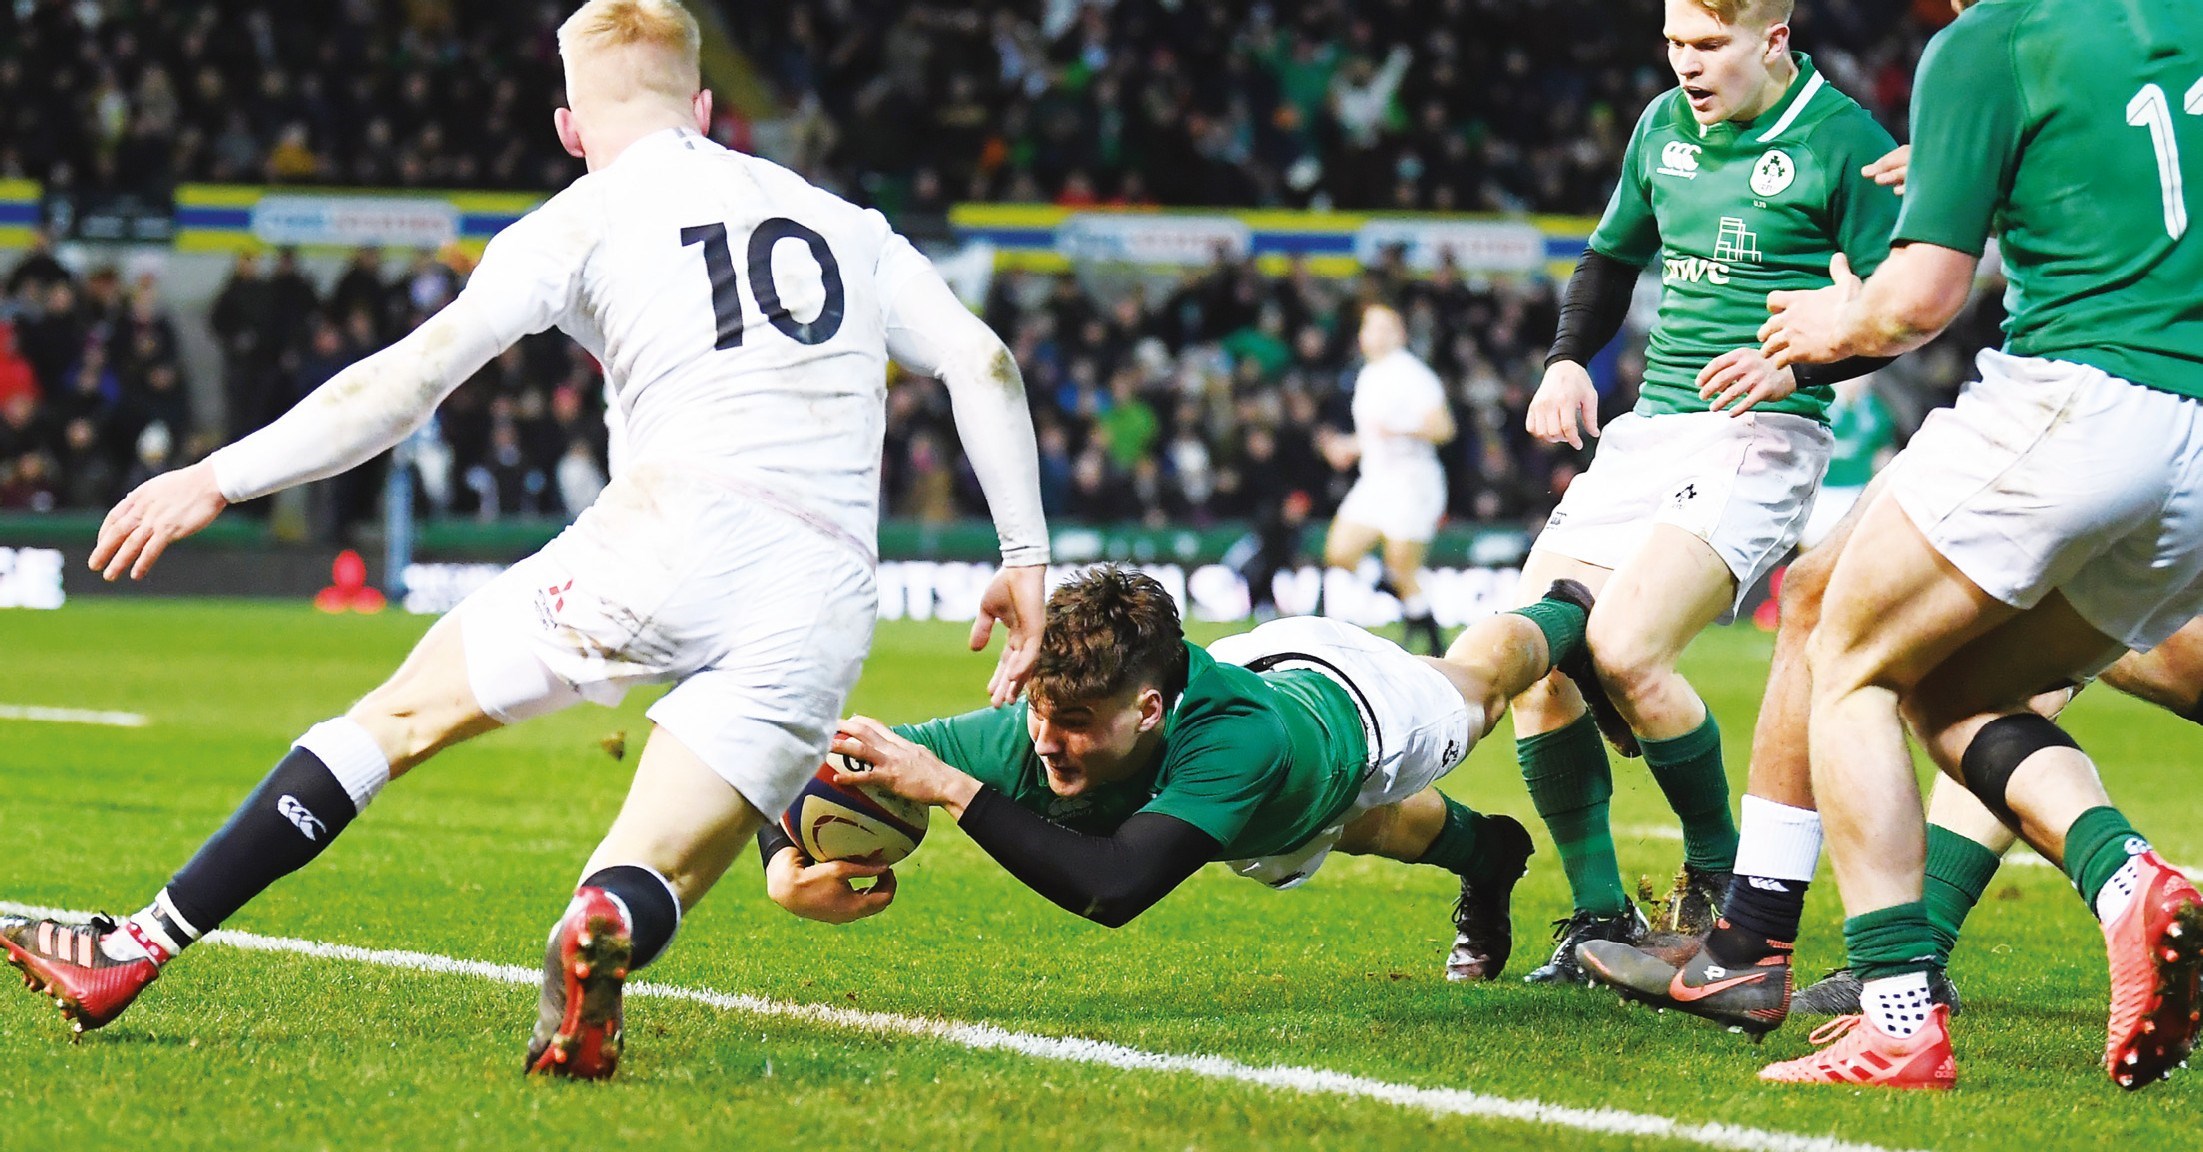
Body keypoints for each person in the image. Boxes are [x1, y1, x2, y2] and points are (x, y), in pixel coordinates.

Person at [0, 0, 1051, 1083]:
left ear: (569, 126)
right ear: (702, 107)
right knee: (656, 863)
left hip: (666, 531)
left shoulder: (579, 217)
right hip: (823, 582)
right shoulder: (849, 225)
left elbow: (405, 384)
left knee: (395, 720)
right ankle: (602, 923)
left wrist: (217, 476)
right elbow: (983, 364)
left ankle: (135, 946)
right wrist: (1023, 558)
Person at [1748, 0, 2203, 1089]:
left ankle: (1896, 1016)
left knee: (1846, 660)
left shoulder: (1991, 39)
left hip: (2076, 398)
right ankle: (2129, 883)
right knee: (1958, 687)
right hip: (2194, 446)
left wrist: (1830, 328)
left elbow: (1916, 303)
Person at [1508, 0, 1901, 984]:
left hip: (1764, 430)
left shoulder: (1843, 140)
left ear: (1773, 39)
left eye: (1708, 45)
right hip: (1650, 427)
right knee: (1534, 665)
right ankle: (1595, 915)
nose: (1685, 64)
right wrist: (1567, 360)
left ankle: (1722, 884)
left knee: (1625, 650)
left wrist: (1798, 364)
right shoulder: (1661, 126)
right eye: (1674, 42)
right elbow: (1609, 257)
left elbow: (1899, 307)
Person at [763, 565, 1623, 984]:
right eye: (1037, 712)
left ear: (1146, 711)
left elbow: (1113, 889)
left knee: (1480, 684)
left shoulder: (1235, 741)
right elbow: (797, 760)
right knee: (1358, 829)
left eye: (1074, 724)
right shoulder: (1031, 729)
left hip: (1357, 713)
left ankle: (1566, 614)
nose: (1046, 742)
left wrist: (953, 789)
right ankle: (1490, 854)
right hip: (1273, 771)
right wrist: (781, 864)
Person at [1321, 303, 1454, 656]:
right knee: (1339, 552)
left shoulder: (1413, 375)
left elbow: (1443, 428)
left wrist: (1397, 428)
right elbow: (1374, 435)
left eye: (1384, 328)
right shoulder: (1368, 374)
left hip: (1412, 481)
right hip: (1376, 480)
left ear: (1400, 334)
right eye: (1369, 327)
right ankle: (1409, 607)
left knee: (1402, 566)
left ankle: (1434, 643)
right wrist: (1349, 446)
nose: (1374, 335)